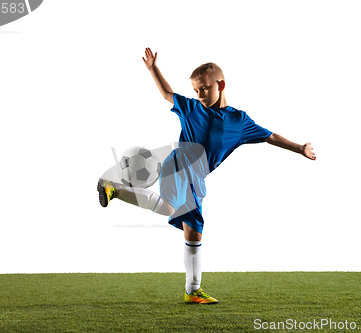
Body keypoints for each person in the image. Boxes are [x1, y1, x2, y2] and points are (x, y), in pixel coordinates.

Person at [97, 47, 316, 305]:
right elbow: (168, 94)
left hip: (196, 177)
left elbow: (270, 136)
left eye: (204, 88)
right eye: (196, 90)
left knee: (193, 234)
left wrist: (300, 148)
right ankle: (114, 189)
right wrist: (153, 69)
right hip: (180, 164)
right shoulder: (191, 108)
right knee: (171, 209)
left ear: (220, 85)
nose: (199, 94)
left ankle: (193, 291)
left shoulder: (239, 121)